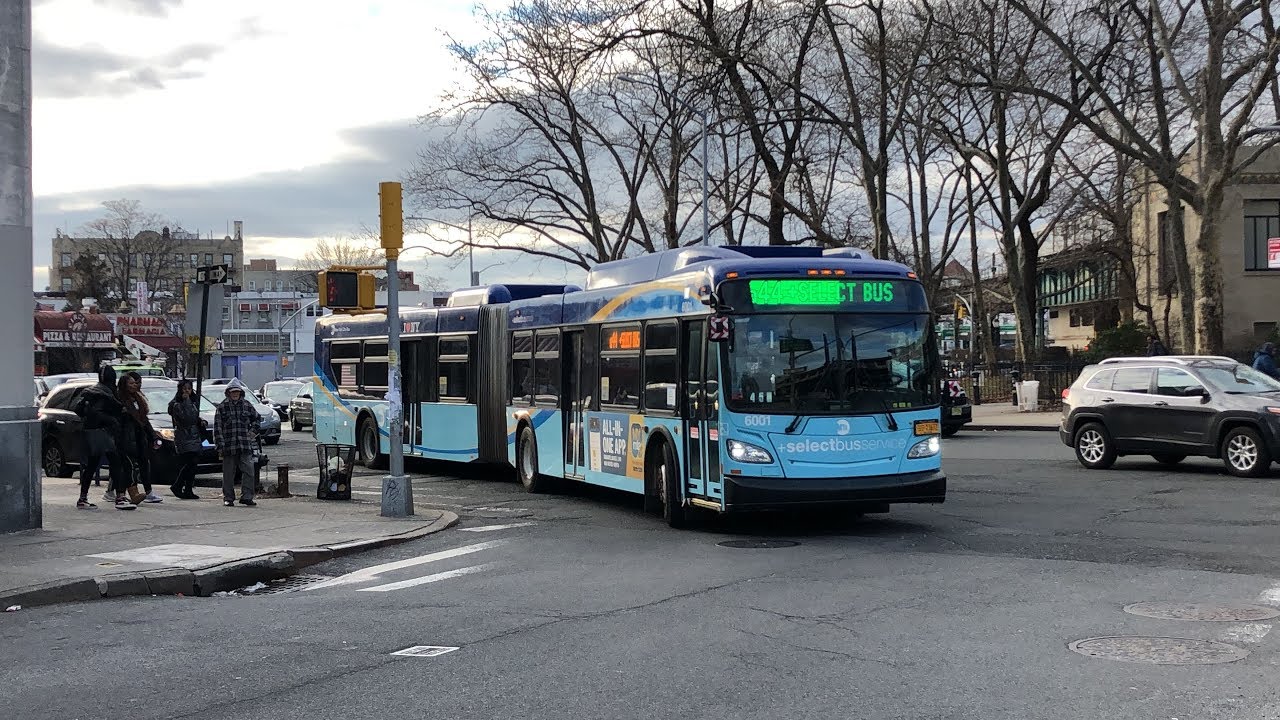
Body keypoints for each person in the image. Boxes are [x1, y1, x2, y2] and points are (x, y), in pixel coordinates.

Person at [73, 366, 129, 510]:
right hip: (104, 432)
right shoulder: (106, 394)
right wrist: (112, 420)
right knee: (115, 463)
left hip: (91, 432)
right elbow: (100, 413)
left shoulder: (90, 392)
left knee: (92, 465)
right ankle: (120, 497)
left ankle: (83, 498)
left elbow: (79, 410)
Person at [117, 373, 163, 504]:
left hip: (139, 437)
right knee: (128, 466)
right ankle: (126, 494)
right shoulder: (120, 400)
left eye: (135, 383)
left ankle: (147, 492)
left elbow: (144, 420)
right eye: (131, 383)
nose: (134, 386)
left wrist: (153, 435)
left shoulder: (137, 399)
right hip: (126, 438)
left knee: (143, 463)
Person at [215, 379, 260, 507]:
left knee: (249, 471)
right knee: (228, 474)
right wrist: (220, 445)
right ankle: (228, 497)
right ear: (228, 393)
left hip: (244, 445)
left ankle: (247, 496)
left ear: (241, 393)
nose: (235, 394)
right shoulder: (222, 407)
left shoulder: (247, 405)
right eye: (233, 392)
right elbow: (217, 428)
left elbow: (257, 418)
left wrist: (252, 432)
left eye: (237, 392)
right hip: (229, 445)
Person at [167, 379, 205, 500]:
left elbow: (194, 416)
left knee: (193, 464)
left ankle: (188, 488)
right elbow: (187, 418)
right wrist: (186, 401)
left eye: (189, 388)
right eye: (184, 389)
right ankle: (178, 485)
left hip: (194, 435)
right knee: (190, 462)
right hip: (184, 436)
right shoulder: (177, 403)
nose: (187, 391)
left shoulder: (193, 401)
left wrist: (200, 421)